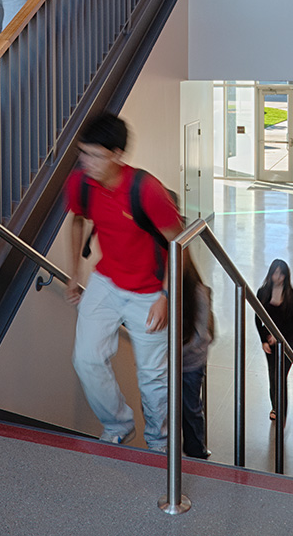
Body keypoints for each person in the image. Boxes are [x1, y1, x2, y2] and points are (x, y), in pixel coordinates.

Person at [65, 112, 182, 451]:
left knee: (153, 377)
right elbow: (77, 220)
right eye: (83, 153)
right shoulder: (82, 183)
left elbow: (179, 243)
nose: (86, 162)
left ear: (117, 154)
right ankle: (118, 423)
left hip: (149, 292)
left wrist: (166, 295)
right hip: (106, 281)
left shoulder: (147, 191)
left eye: (95, 155)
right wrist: (75, 273)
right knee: (86, 358)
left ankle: (161, 445)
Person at [255, 259, 293, 422]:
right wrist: (264, 339)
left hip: (288, 341)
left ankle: (280, 409)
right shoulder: (262, 293)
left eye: (281, 274)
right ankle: (276, 406)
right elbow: (258, 318)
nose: (278, 277)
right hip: (270, 343)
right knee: (273, 375)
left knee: (280, 375)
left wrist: (279, 336)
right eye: (275, 273)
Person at [181, 254, 215, 458]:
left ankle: (196, 450)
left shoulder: (198, 293)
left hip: (192, 363)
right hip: (169, 362)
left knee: (191, 408)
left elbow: (201, 335)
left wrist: (172, 351)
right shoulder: (162, 292)